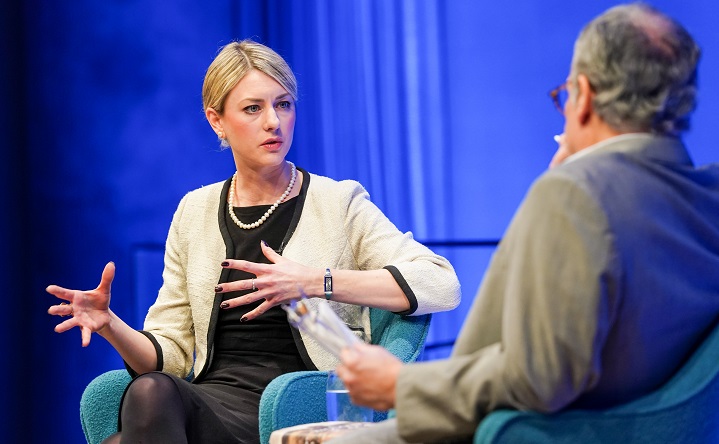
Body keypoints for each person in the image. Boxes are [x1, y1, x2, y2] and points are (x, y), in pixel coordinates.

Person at [330, 3, 719, 443]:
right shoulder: (708, 196)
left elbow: (539, 378)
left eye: (566, 95)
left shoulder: (573, 194)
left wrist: (401, 385)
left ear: (585, 96)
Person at [45, 39, 461, 444]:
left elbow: (440, 283)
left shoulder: (337, 202)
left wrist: (316, 281)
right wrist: (111, 326)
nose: (273, 122)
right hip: (210, 398)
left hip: (295, 398)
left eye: (283, 104)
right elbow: (168, 354)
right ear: (217, 120)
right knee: (151, 389)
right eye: (253, 108)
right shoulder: (195, 210)